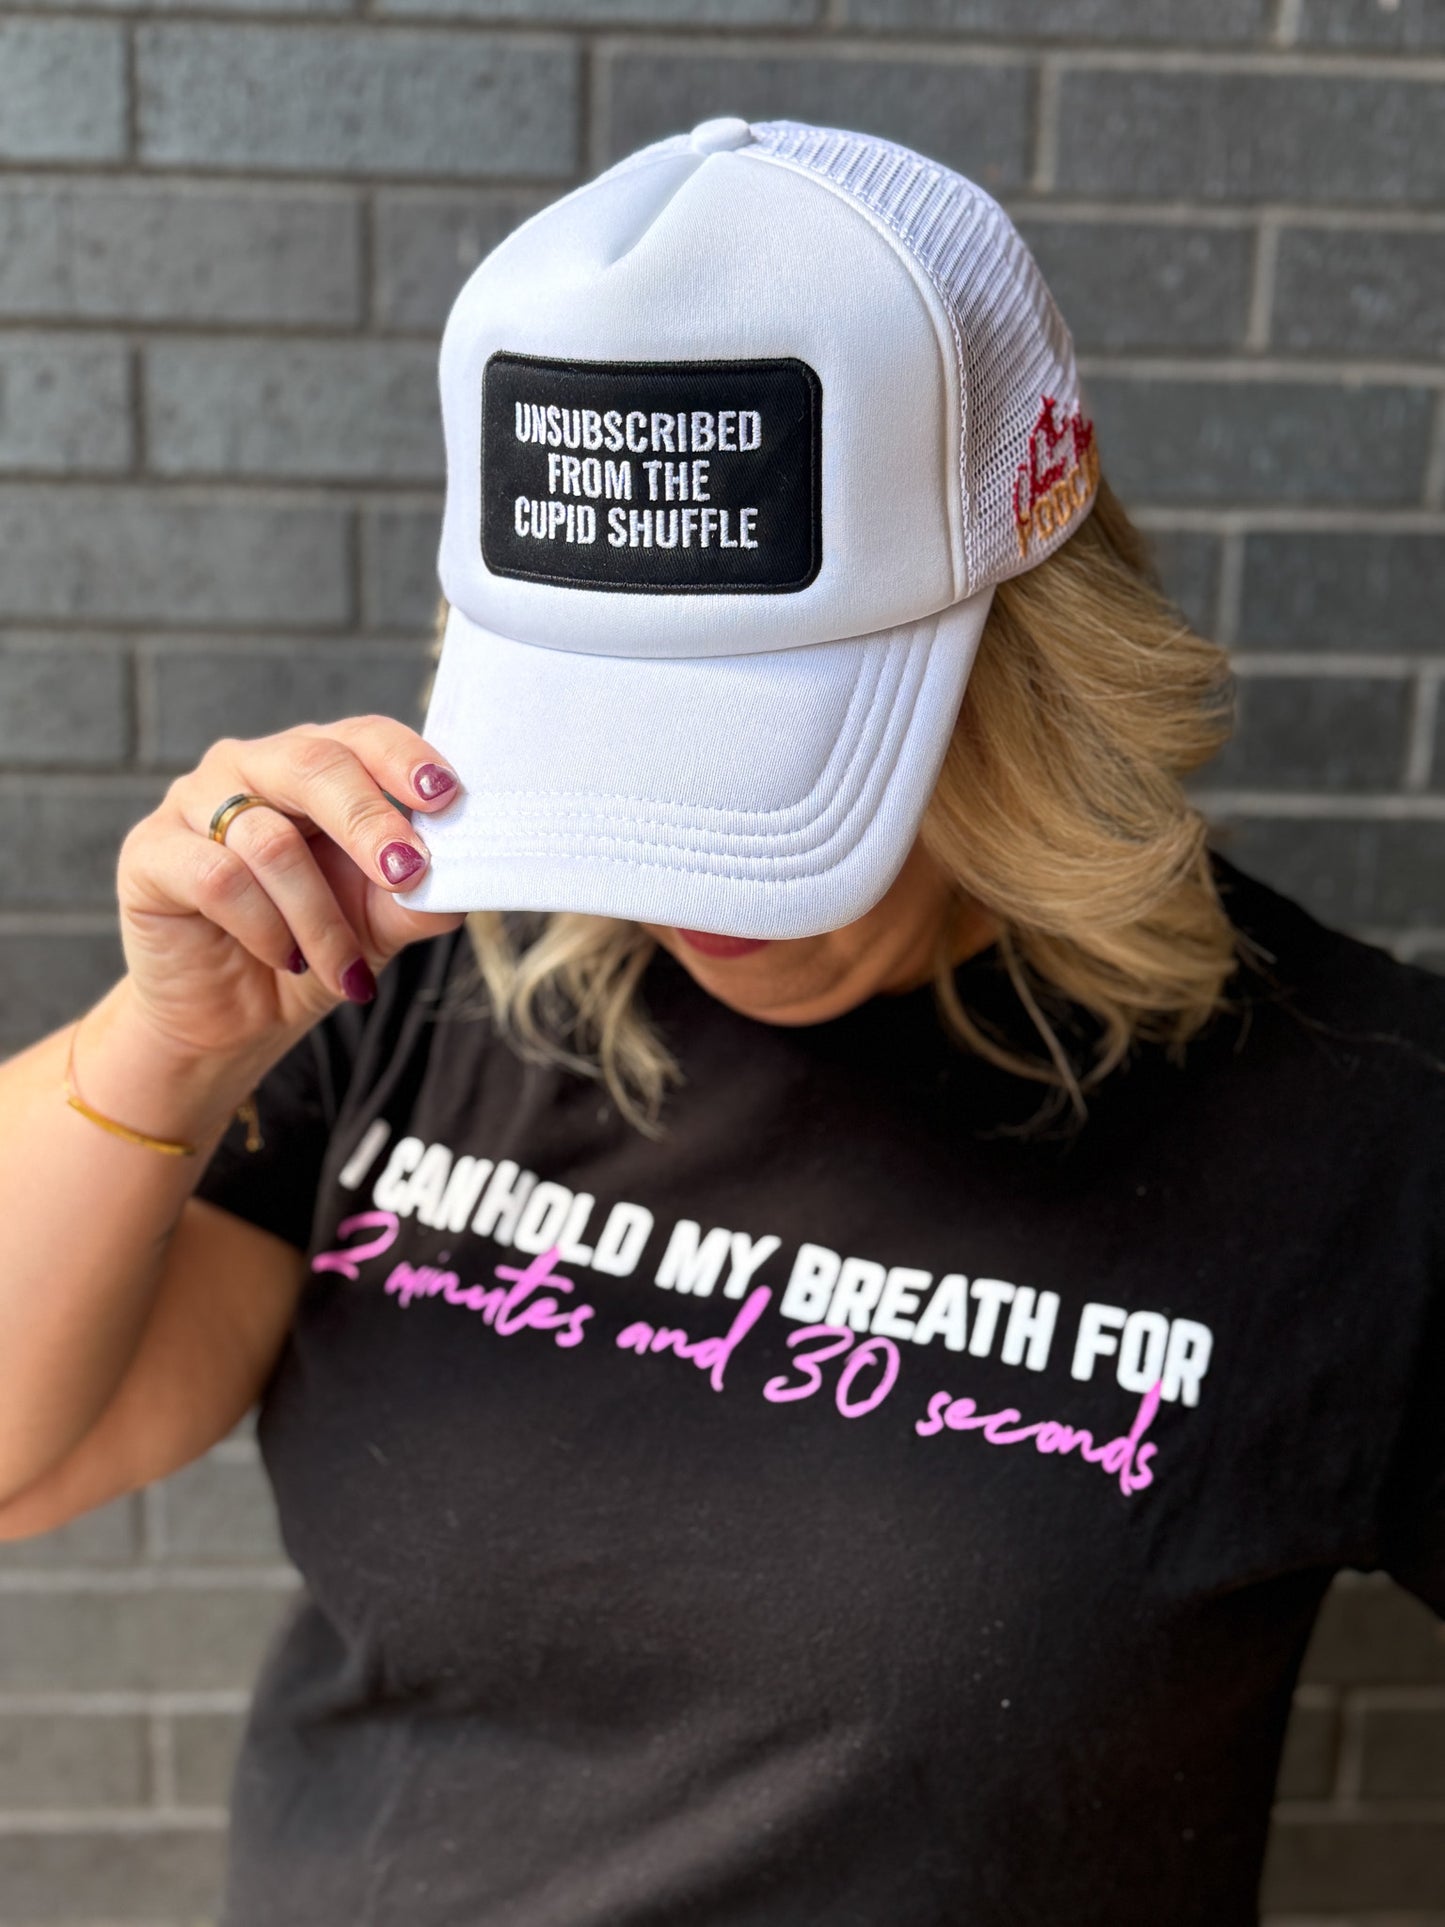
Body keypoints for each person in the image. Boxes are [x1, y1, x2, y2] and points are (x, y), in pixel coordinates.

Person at [0, 118, 1440, 1927]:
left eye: (754, 770)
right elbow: (21, 1460)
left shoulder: (1362, 1134)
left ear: (1031, 653)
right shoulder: (413, 976)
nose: (674, 895)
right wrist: (175, 1042)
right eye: (606, 752)